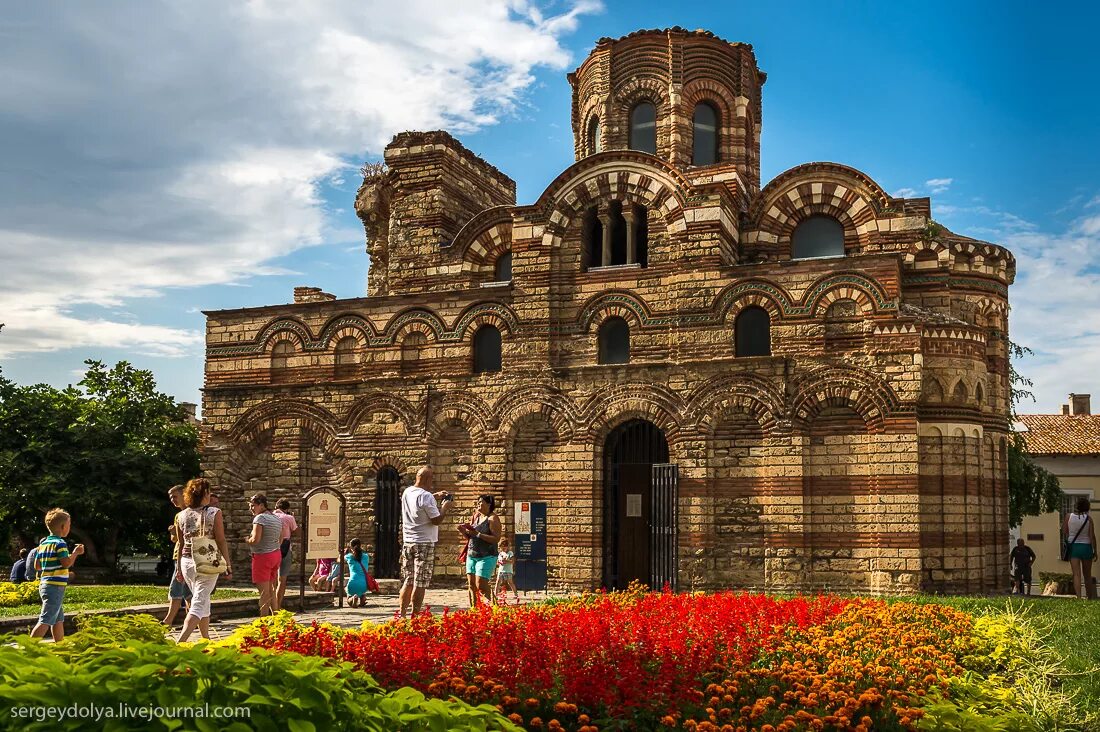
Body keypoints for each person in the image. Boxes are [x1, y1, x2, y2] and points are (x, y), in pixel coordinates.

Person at [176, 478, 232, 642]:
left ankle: (206, 639)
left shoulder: (181, 515)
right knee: (198, 603)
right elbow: (220, 540)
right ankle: (181, 641)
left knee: (202, 598)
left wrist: (179, 568)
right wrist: (227, 563)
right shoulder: (214, 512)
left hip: (187, 562)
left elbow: (180, 543)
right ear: (205, 494)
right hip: (207, 560)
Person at [398, 466, 453, 618]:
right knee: (420, 582)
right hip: (424, 543)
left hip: (408, 542)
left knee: (408, 580)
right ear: (428, 479)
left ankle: (401, 615)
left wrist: (434, 495)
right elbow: (436, 520)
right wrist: (444, 507)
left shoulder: (407, 492)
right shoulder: (426, 496)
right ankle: (415, 616)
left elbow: (419, 502)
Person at [29, 508, 84, 642]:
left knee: (58, 619)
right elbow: (66, 563)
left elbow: (37, 566)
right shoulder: (60, 544)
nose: (69, 528)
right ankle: (28, 648)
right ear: (63, 526)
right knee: (46, 620)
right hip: (55, 586)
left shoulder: (43, 544)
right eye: (69, 525)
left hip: (45, 584)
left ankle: (60, 646)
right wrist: (76, 553)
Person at [459, 495, 502, 608]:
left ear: (488, 504)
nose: (478, 504)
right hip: (472, 554)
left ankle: (495, 609)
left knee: (481, 585)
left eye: (481, 502)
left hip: (487, 556)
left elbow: (496, 538)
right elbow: (470, 537)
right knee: (472, 585)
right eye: (477, 502)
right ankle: (475, 610)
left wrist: (478, 534)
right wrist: (463, 531)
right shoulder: (476, 516)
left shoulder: (493, 519)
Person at [246, 494, 284, 616]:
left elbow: (256, 540)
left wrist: (247, 540)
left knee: (263, 592)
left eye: (253, 506)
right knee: (271, 588)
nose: (251, 508)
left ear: (261, 505)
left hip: (262, 556)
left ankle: (263, 620)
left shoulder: (260, 518)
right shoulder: (276, 518)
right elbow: (281, 538)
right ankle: (276, 616)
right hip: (275, 554)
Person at [163, 485, 192, 625]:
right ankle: (192, 622)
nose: (172, 500)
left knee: (177, 589)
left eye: (175, 496)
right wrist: (174, 532)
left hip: (186, 556)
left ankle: (167, 621)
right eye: (170, 497)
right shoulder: (178, 516)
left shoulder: (192, 513)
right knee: (187, 592)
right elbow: (175, 540)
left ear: (184, 495)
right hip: (178, 554)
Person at [1063, 496, 1097, 599]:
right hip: (1086, 547)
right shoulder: (1089, 519)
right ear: (1087, 507)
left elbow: (1065, 531)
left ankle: (1078, 597)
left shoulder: (1068, 516)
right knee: (1087, 575)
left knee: (1076, 574)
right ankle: (1089, 597)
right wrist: (1095, 551)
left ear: (1077, 506)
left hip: (1074, 547)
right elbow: (1092, 536)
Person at [273, 498, 300, 612]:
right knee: (282, 579)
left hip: (271, 548)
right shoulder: (289, 518)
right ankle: (278, 605)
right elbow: (297, 531)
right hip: (285, 548)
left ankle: (272, 606)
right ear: (287, 508)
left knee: (271, 580)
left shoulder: (269, 516)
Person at [345, 539, 370, 607]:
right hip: (364, 584)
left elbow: (339, 559)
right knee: (361, 591)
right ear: (360, 545)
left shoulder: (349, 557)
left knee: (348, 597)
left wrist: (346, 552)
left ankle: (353, 598)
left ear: (351, 547)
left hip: (353, 582)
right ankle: (362, 598)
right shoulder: (366, 556)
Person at [494, 537, 519, 603]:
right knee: (498, 582)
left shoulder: (510, 553)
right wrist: (500, 562)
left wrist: (506, 561)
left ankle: (515, 594)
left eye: (504, 547)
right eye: (501, 548)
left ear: (507, 547)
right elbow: (498, 562)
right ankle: (495, 594)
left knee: (510, 582)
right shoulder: (500, 553)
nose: (503, 549)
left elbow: (512, 561)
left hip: (508, 571)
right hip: (501, 570)